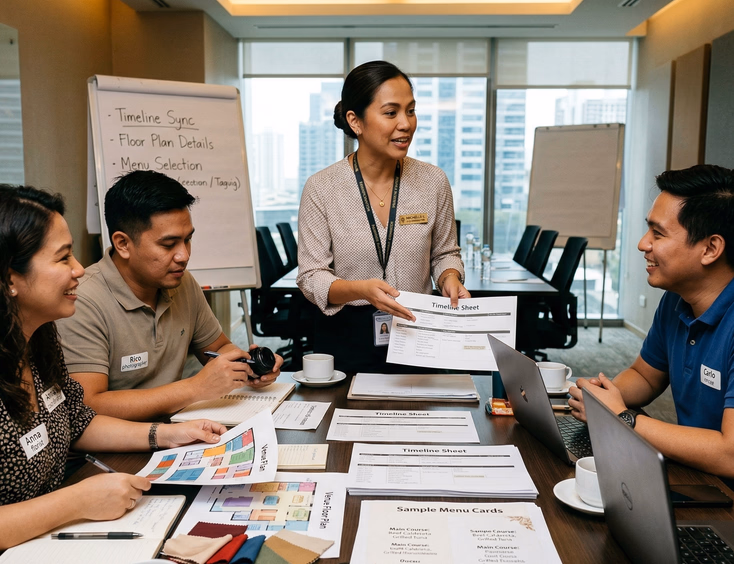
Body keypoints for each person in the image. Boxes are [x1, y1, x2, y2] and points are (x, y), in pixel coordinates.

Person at [0, 185, 228, 549]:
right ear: (11, 277)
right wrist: (74, 501)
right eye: (62, 259)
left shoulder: (40, 341)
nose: (78, 269)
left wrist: (165, 435)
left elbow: (79, 420)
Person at [56, 171, 282, 421]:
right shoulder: (82, 301)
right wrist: (195, 388)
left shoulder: (181, 282)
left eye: (187, 240)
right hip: (115, 448)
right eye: (168, 244)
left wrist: (248, 367)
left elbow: (217, 348)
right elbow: (89, 404)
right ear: (122, 244)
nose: (183, 255)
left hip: (177, 428)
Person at [297, 60, 469, 373]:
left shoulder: (433, 181)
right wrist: (361, 290)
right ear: (356, 121)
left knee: (421, 420)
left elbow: (445, 254)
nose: (406, 124)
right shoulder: (322, 187)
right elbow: (312, 277)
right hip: (346, 336)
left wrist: (450, 278)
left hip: (419, 332)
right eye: (391, 113)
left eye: (411, 110)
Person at [568, 164, 734, 479]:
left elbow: (730, 455)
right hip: (698, 476)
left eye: (658, 233)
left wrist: (622, 417)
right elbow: (646, 376)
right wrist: (602, 395)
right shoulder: (676, 299)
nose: (643, 244)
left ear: (710, 248)